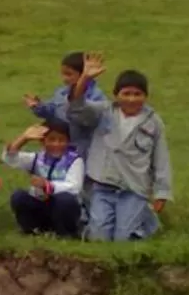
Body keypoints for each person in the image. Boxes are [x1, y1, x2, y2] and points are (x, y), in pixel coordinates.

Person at [67, 52, 172, 241]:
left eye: (137, 94)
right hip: (102, 186)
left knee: (123, 239)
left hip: (133, 188)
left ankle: (146, 219)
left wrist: (161, 192)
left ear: (146, 96)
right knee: (99, 238)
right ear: (116, 95)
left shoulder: (153, 122)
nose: (131, 99)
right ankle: (94, 224)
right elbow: (76, 107)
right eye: (126, 93)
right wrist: (85, 78)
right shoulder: (103, 112)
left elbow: (161, 158)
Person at [1, 120, 84, 238]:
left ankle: (65, 234)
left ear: (67, 142)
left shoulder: (75, 160)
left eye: (61, 140)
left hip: (62, 208)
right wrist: (24, 138)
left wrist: (48, 185)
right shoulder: (37, 158)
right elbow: (9, 159)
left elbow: (74, 187)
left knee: (65, 199)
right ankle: (32, 231)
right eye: (51, 139)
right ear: (43, 141)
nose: (56, 144)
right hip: (41, 204)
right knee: (18, 196)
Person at [24, 51, 107, 157]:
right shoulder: (62, 92)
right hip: (61, 149)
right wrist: (38, 107)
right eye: (63, 74)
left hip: (85, 153)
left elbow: (86, 119)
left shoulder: (96, 96)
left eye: (69, 74)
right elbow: (52, 111)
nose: (65, 78)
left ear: (84, 74)